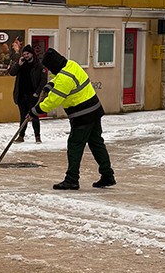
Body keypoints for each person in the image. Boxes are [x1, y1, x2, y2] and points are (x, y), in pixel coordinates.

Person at [34, 48, 114, 190]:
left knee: (75, 145)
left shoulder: (64, 78)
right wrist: (49, 85)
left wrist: (35, 111)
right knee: (96, 143)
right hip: (95, 110)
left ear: (53, 65)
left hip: (82, 115)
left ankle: (72, 179)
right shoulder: (72, 64)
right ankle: (108, 175)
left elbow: (53, 101)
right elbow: (60, 78)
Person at [9, 44, 45, 142]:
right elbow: (12, 73)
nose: (26, 56)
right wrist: (18, 65)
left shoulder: (38, 65)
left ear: (32, 54)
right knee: (22, 116)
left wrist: (37, 92)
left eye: (27, 54)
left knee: (34, 116)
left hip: (32, 95)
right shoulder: (21, 64)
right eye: (24, 54)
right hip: (21, 94)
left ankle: (37, 136)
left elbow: (43, 81)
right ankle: (21, 136)